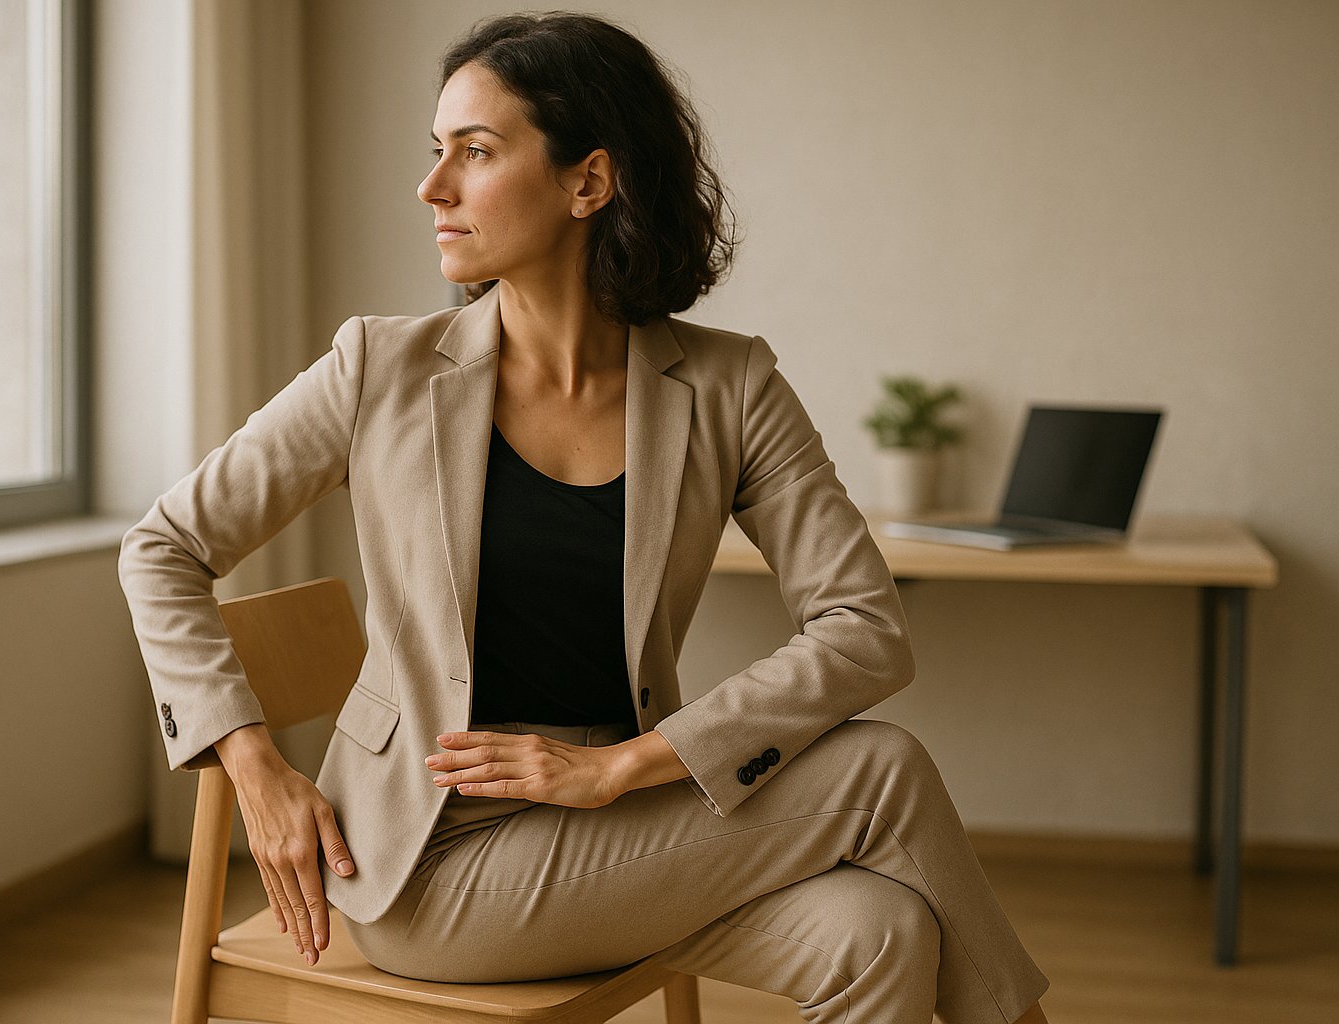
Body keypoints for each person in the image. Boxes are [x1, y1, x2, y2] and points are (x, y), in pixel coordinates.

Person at [117, 12, 1051, 1023]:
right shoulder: (378, 369)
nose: (433, 188)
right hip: (433, 858)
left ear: (588, 182)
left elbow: (867, 629)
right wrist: (252, 762)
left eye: (475, 152)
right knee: (883, 767)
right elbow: (163, 546)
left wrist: (623, 767)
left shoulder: (730, 386)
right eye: (438, 153)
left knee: (885, 933)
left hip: (630, 819)